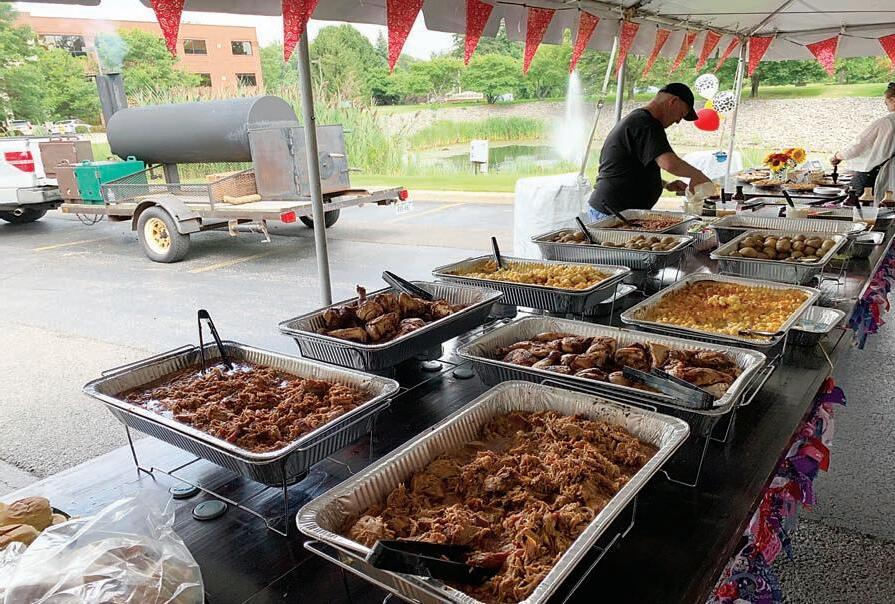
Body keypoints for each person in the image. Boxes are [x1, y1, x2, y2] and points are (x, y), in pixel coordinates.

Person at [587, 83, 713, 220]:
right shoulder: (646, 123)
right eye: (681, 114)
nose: (678, 121)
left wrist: (665, 184)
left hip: (617, 209)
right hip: (613, 211)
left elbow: (629, 168)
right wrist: (697, 175)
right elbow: (669, 163)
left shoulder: (640, 120)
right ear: (673, 101)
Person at [831, 83, 895, 200]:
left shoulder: (886, 122)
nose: (885, 105)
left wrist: (837, 156)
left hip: (880, 178)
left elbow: (857, 146)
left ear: (893, 100)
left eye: (886, 102)